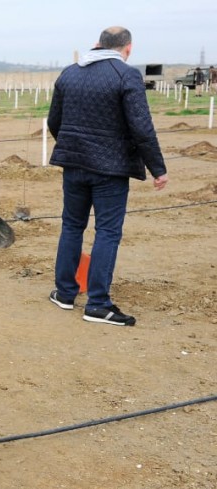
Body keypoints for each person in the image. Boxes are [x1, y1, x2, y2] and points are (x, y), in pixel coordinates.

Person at [47, 26, 168, 326]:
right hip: (110, 170)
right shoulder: (126, 75)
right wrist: (158, 168)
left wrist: (72, 145)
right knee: (108, 232)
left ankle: (64, 293)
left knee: (72, 226)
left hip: (73, 165)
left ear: (97, 44)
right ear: (127, 48)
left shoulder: (69, 73)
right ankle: (98, 304)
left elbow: (54, 121)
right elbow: (141, 126)